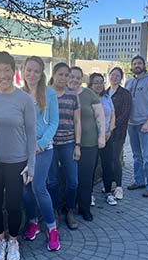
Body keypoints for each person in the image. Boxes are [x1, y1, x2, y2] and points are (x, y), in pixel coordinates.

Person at [0, 51, 36, 260]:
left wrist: (31, 165)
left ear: (13, 71)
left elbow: (32, 133)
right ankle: (0, 240)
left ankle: (13, 240)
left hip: (17, 162)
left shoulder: (24, 99)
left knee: (14, 205)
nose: (2, 75)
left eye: (6, 70)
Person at [22, 56, 60, 251]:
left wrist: (42, 143)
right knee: (25, 190)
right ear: (23, 71)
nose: (32, 74)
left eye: (36, 71)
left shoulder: (50, 94)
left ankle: (52, 228)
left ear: (41, 73)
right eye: (28, 70)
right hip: (22, 151)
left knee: (38, 187)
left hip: (44, 150)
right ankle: (33, 222)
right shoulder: (18, 94)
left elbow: (54, 122)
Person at [68, 67, 105, 220]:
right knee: (71, 178)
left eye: (78, 77)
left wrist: (102, 136)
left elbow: (100, 115)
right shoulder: (61, 93)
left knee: (86, 177)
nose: (75, 80)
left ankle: (84, 208)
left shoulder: (88, 94)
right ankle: (70, 206)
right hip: (68, 143)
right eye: (72, 76)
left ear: (82, 79)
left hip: (89, 143)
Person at [48, 62, 81, 230]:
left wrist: (77, 145)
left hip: (68, 143)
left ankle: (69, 210)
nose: (63, 78)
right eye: (60, 74)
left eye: (66, 75)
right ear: (53, 74)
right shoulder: (45, 94)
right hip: (50, 146)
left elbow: (77, 121)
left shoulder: (73, 95)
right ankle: (54, 211)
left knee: (73, 181)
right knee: (52, 180)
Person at [125, 55, 148, 197]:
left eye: (139, 63)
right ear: (131, 66)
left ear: (144, 65)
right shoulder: (129, 82)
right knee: (136, 156)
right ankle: (139, 181)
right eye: (134, 63)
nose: (137, 65)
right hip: (131, 124)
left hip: (145, 124)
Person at [88, 72, 117, 206]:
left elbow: (112, 115)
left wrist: (110, 131)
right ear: (90, 84)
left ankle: (108, 192)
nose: (99, 85)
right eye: (96, 82)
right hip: (92, 138)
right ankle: (90, 194)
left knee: (107, 165)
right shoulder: (87, 97)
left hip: (106, 136)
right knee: (91, 166)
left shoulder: (106, 97)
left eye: (101, 82)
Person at [106, 67, 132, 200]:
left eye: (117, 75)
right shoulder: (104, 93)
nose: (114, 77)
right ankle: (109, 184)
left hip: (118, 132)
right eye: (112, 75)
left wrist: (112, 125)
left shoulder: (125, 93)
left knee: (116, 159)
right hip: (105, 133)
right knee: (108, 159)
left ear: (121, 78)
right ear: (109, 76)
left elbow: (125, 113)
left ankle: (119, 187)